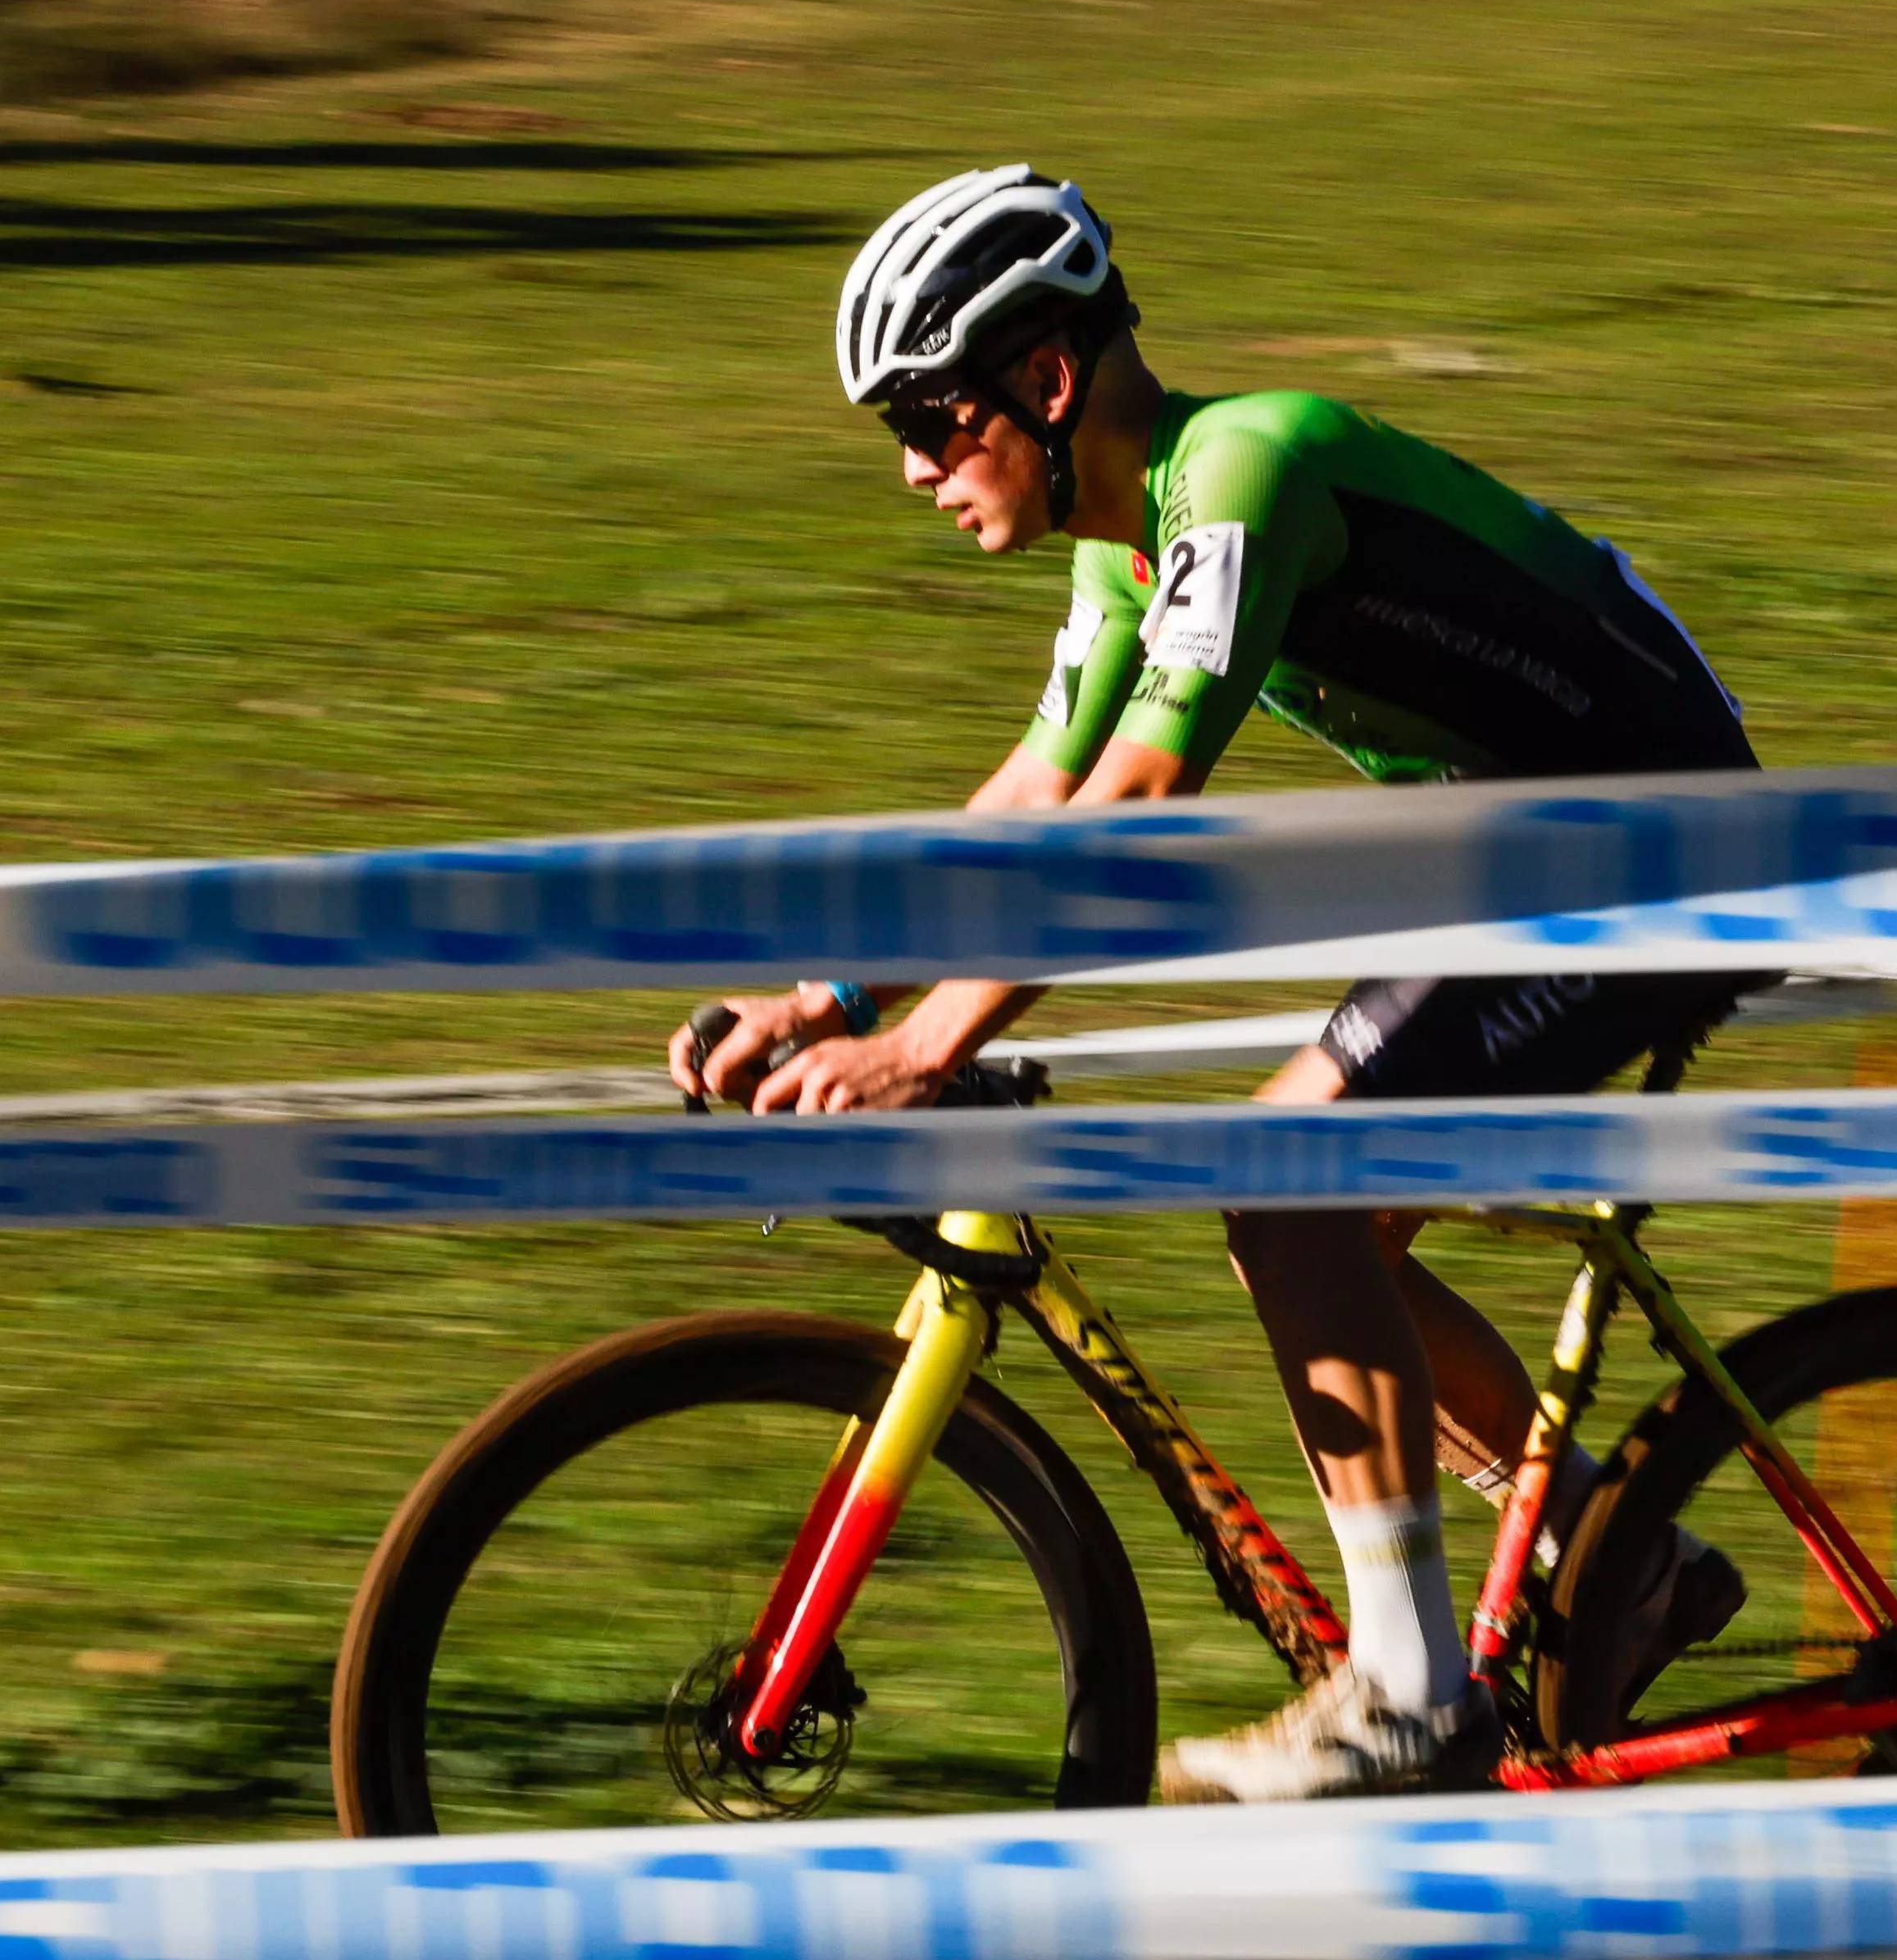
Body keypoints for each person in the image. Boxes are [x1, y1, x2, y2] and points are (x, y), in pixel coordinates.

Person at [671, 163, 1759, 1803]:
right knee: (1321, 1231)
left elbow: (1136, 810)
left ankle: (1411, 1697)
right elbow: (1032, 799)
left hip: (1656, 862)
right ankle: (1630, 1570)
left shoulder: (1241, 475)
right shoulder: (1127, 547)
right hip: (1532, 856)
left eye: (931, 416)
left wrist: (933, 1042)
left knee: (1285, 1196)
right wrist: (822, 999)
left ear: (1045, 383)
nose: (909, 469)